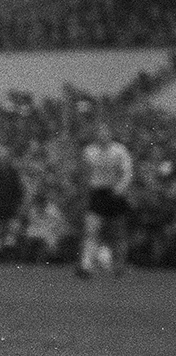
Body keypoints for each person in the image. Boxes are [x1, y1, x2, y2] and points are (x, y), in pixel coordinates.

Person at [76, 119, 133, 278]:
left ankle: (119, 266)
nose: (102, 136)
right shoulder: (89, 151)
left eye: (105, 133)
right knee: (91, 230)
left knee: (118, 233)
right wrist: (85, 193)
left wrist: (121, 188)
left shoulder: (120, 150)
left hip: (115, 194)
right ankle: (86, 266)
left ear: (110, 134)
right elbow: (85, 174)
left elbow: (127, 172)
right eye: (99, 133)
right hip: (97, 193)